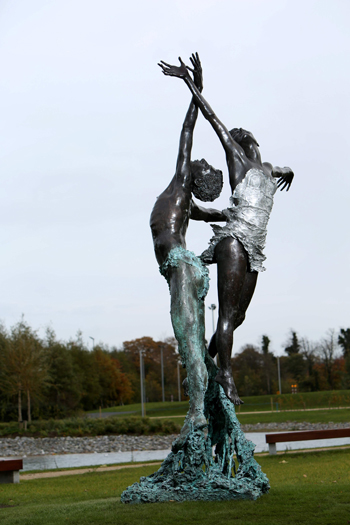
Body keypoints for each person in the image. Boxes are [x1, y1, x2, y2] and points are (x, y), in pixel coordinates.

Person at [159, 55, 294, 405]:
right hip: (232, 242)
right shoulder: (236, 155)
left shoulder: (265, 167)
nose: (242, 134)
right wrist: (192, 84)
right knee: (226, 312)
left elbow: (279, 167)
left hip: (254, 248)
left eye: (243, 133)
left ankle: (205, 363)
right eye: (240, 134)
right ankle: (226, 378)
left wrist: (289, 171)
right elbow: (210, 116)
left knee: (238, 316)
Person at [150, 53, 226, 433]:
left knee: (189, 344)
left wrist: (192, 86)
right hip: (186, 267)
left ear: (192, 175)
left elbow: (187, 133)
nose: (195, 160)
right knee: (193, 342)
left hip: (181, 264)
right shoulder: (189, 209)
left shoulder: (179, 189)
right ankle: (214, 400)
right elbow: (221, 215)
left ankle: (197, 412)